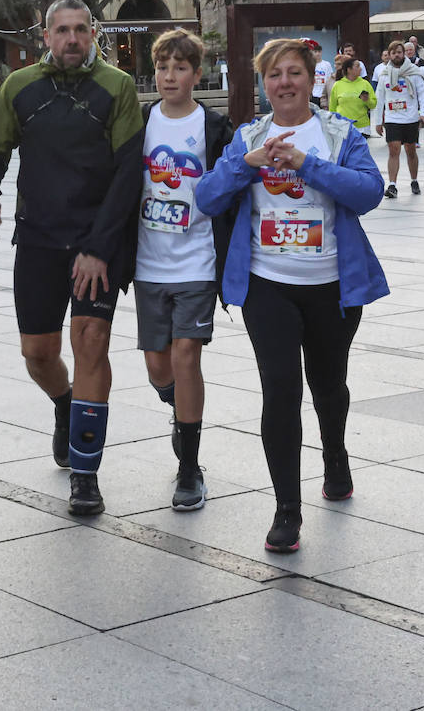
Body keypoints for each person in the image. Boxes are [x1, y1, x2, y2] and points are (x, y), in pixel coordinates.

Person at [196, 38, 388, 553]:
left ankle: (336, 457)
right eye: (274, 74)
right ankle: (287, 510)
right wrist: (247, 163)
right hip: (268, 287)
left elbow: (369, 192)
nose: (285, 82)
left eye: (294, 73)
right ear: (263, 83)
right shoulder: (248, 136)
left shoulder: (337, 133)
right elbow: (207, 197)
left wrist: (306, 163)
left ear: (313, 79)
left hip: (332, 287)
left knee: (329, 387)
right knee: (280, 390)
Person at [0, 0, 144, 516]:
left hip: (98, 244)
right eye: (61, 30)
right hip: (39, 241)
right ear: (44, 36)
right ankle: (66, 405)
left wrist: (98, 247)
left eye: (80, 30)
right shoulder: (20, 88)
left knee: (91, 341)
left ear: (93, 34)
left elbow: (128, 173)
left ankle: (86, 474)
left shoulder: (118, 87)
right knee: (38, 355)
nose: (71, 39)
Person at [135, 28, 234, 511]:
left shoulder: (213, 127)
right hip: (148, 263)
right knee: (159, 368)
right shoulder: (139, 121)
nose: (169, 76)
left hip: (197, 260)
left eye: (180, 67)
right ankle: (180, 409)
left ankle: (189, 467)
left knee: (186, 355)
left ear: (197, 73)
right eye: (162, 67)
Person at [372, 41, 424, 198]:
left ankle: (414, 180)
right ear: (389, 55)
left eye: (399, 52)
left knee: (411, 150)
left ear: (404, 54)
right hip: (392, 118)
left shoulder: (414, 72)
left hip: (410, 117)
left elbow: (422, 94)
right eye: (393, 52)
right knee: (393, 150)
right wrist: (377, 121)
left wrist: (423, 113)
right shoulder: (384, 74)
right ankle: (392, 185)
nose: (397, 55)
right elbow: (379, 98)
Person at [328, 57, 377, 137]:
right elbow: (332, 108)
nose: (360, 69)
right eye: (357, 66)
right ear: (349, 69)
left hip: (362, 127)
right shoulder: (337, 85)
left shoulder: (365, 84)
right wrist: (333, 124)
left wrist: (367, 100)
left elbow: (373, 105)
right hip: (343, 127)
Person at [311, 41, 334, 109]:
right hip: (313, 95)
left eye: (319, 52)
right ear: (312, 52)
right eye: (315, 52)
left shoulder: (327, 64)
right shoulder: (310, 65)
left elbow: (330, 78)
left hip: (324, 95)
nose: (317, 54)